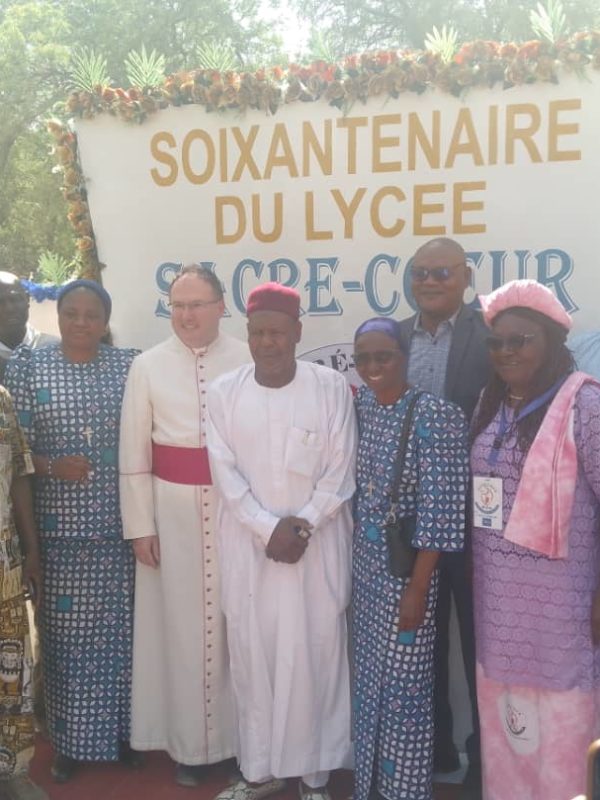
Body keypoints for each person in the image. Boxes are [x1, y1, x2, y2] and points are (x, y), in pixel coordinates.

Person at [206, 282, 356, 800]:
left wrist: (304, 523)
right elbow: (224, 474)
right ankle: (261, 772)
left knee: (314, 655)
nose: (266, 343)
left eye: (276, 332)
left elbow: (341, 470)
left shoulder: (329, 387)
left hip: (314, 551)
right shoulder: (225, 392)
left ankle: (314, 778)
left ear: (297, 332)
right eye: (256, 333)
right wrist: (266, 527)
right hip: (251, 550)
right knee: (254, 656)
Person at [119, 265, 250, 787]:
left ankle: (244, 742)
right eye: (177, 306)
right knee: (177, 631)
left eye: (197, 305)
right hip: (169, 518)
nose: (187, 316)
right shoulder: (147, 366)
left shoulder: (247, 357)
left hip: (233, 511)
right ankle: (187, 748)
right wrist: (139, 526)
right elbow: (133, 454)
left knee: (236, 625)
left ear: (222, 306)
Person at [4, 279, 139, 783]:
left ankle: (124, 736)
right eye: (72, 313)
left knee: (122, 643)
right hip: (58, 539)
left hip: (118, 534)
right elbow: (14, 455)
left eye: (92, 315)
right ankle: (69, 743)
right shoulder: (28, 367)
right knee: (64, 645)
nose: (81, 322)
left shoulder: (128, 366)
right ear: (57, 317)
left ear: (105, 323)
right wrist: (52, 465)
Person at [471, 279, 600, 800]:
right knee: (507, 730)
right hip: (499, 611)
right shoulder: (490, 400)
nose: (506, 352)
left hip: (562, 615)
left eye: (520, 340)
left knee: (562, 735)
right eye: (497, 343)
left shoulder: (585, 406)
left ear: (549, 341)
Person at [352, 317, 469, 800]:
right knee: (367, 683)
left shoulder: (435, 415)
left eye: (385, 356)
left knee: (405, 687)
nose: (374, 367)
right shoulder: (361, 406)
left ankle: (405, 789)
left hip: (407, 576)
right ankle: (370, 784)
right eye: (364, 358)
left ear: (405, 358)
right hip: (364, 571)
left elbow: (442, 515)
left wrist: (418, 590)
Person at [398, 237, 489, 798]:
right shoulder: (395, 337)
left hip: (479, 518)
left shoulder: (492, 331)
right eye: (420, 272)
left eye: (442, 272)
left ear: (465, 276)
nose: (430, 281)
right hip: (412, 522)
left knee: (482, 644)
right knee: (421, 643)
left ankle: (485, 761)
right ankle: (430, 754)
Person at [0, 387, 47, 800]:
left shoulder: (2, 401)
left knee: (11, 672)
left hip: (4, 562)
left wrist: (32, 551)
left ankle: (12, 771)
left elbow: (19, 477)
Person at [0, 273, 57, 384]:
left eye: (15, 299)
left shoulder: (55, 350)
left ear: (27, 299)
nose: (9, 308)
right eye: (0, 302)